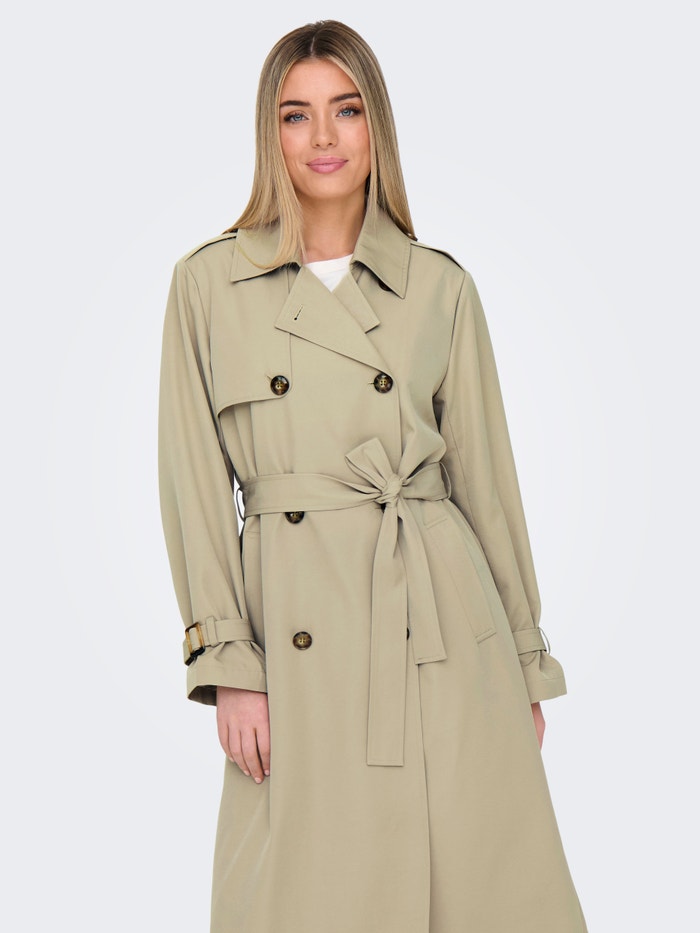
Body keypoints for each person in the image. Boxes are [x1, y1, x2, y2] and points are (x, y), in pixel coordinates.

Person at [158, 19, 588, 933]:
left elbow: (489, 488)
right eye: (296, 114)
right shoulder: (208, 286)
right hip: (296, 636)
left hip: (441, 635)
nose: (323, 137)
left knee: (479, 890)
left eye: (346, 110)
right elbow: (192, 488)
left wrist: (521, 664)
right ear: (269, 134)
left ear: (376, 127)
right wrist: (229, 667)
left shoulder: (439, 286)